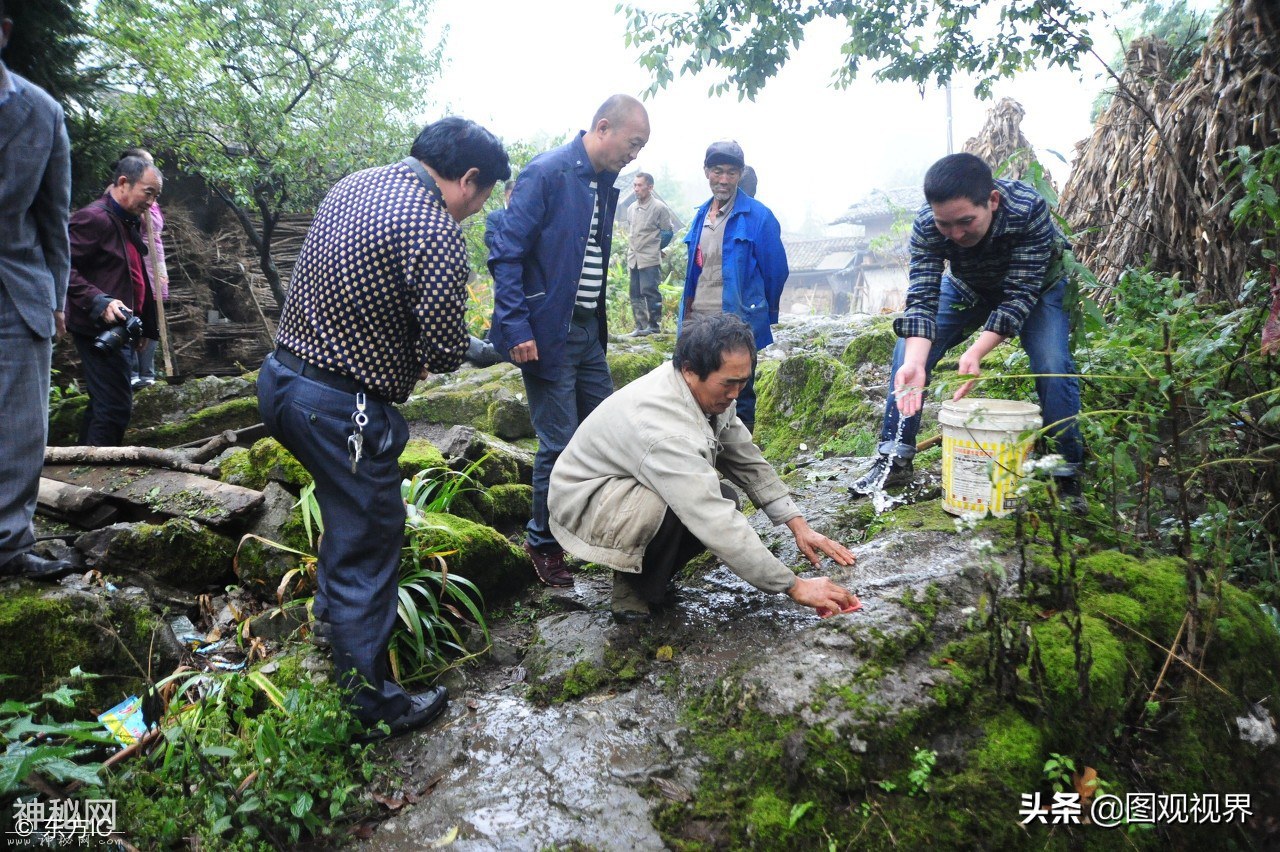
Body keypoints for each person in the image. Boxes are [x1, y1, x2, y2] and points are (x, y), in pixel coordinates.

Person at [256, 117, 510, 739]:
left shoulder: (355, 184)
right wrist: (483, 348)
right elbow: (446, 345)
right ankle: (369, 706)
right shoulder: (433, 228)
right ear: (468, 180)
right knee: (370, 537)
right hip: (340, 407)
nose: (473, 214)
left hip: (282, 379)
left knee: (348, 520)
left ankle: (331, 637)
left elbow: (350, 292)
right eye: (479, 201)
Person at [550, 313, 860, 622]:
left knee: (725, 495)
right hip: (585, 501)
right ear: (689, 371)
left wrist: (799, 526)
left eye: (743, 382)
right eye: (728, 383)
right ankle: (632, 590)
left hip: (621, 489)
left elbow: (746, 458)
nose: (736, 394)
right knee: (678, 507)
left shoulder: (708, 394)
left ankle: (650, 581)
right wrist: (794, 585)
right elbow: (712, 518)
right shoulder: (665, 429)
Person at [849, 153, 1086, 512]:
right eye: (946, 225)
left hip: (1037, 290)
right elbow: (923, 298)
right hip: (967, 287)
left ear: (992, 200)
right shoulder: (929, 224)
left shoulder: (1028, 210)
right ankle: (894, 459)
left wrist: (975, 351)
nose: (956, 234)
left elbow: (1019, 296)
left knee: (1052, 363)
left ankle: (1064, 472)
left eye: (966, 222)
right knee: (907, 356)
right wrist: (918, 362)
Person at [488, 94, 651, 587]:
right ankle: (542, 542)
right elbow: (506, 251)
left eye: (641, 146)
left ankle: (591, 529)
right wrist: (516, 327)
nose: (635, 154)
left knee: (607, 434)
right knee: (559, 444)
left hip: (586, 331)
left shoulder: (604, 184)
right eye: (633, 142)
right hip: (546, 333)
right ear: (604, 127)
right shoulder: (549, 172)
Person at [0, 1, 77, 581]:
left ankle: (8, 545)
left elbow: (54, 218)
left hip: (15, 283)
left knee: (22, 423)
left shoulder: (41, 113)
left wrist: (56, 298)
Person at [678, 140, 788, 431]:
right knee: (695, 389)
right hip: (698, 319)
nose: (724, 180)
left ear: (740, 175)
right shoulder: (700, 215)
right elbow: (694, 268)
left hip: (738, 321)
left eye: (731, 173)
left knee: (738, 392)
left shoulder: (759, 218)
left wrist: (763, 313)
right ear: (706, 172)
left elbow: (776, 272)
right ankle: (702, 456)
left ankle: (741, 466)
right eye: (717, 172)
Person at [67, 155, 162, 446]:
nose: (151, 202)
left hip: (120, 330)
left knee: (104, 404)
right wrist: (99, 301)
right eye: (149, 193)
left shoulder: (125, 221)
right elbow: (60, 267)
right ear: (123, 183)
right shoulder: (94, 218)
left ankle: (80, 470)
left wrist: (146, 326)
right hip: (98, 328)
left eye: (156, 196)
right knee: (115, 408)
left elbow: (135, 276)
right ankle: (97, 480)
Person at [116, 148, 169, 388]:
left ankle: (148, 373)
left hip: (155, 263)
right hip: (136, 260)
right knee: (133, 311)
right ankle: (132, 372)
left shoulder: (152, 200)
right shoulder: (125, 197)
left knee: (153, 316)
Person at [625, 171, 675, 336]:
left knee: (650, 291)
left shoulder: (659, 207)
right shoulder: (631, 208)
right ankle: (640, 326)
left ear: (650, 187)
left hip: (649, 258)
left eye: (640, 185)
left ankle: (654, 326)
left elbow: (667, 232)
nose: (636, 189)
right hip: (634, 257)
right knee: (635, 293)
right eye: (635, 185)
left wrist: (657, 247)